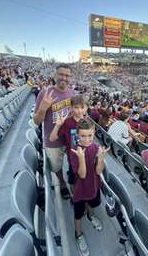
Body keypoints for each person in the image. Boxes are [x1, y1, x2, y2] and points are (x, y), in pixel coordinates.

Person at [33, 63, 75, 199]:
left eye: (67, 75)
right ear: (55, 75)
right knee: (57, 167)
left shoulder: (71, 92)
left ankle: (70, 176)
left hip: (69, 138)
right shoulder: (45, 93)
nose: (64, 78)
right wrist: (43, 108)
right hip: (53, 140)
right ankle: (62, 184)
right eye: (61, 74)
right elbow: (36, 121)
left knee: (72, 160)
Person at [70, 119, 108, 256]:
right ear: (77, 136)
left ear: (94, 134)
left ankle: (90, 215)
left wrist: (101, 158)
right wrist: (81, 157)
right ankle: (78, 234)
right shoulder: (74, 151)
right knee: (78, 214)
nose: (87, 139)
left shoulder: (96, 147)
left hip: (93, 185)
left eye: (90, 136)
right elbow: (83, 174)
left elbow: (98, 171)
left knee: (92, 203)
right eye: (83, 136)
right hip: (80, 189)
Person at [49, 95, 88, 188]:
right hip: (73, 160)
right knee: (74, 182)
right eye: (76, 107)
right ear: (71, 108)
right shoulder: (67, 123)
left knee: (83, 179)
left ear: (86, 107)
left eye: (82, 107)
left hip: (85, 157)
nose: (80, 110)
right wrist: (58, 125)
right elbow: (52, 138)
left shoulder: (87, 122)